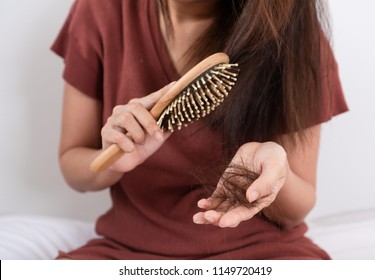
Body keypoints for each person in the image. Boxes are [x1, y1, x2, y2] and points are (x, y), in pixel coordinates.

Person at [52, 0, 348, 259]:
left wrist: (270, 169)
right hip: (128, 251)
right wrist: (114, 158)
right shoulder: (100, 10)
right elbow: (73, 166)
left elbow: (297, 210)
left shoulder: (290, 33)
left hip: (261, 251)